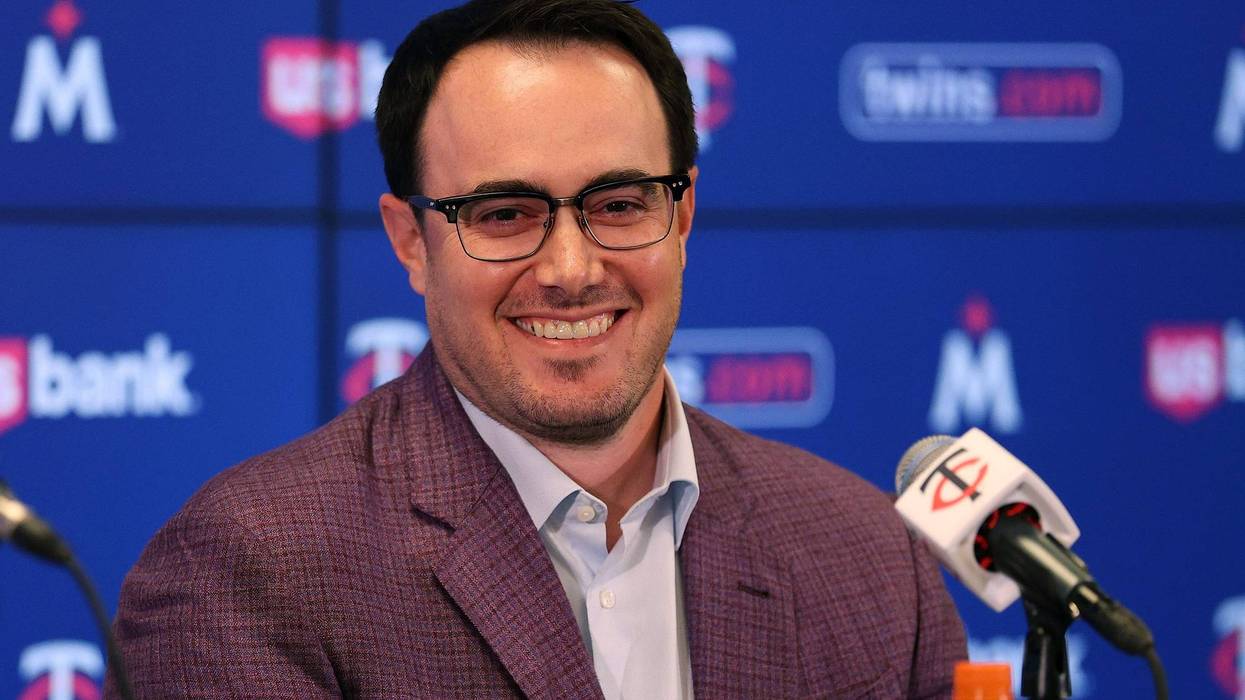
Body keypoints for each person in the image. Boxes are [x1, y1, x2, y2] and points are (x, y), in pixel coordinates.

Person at [108, 0, 966, 697]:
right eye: (503, 214)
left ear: (682, 216)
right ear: (410, 242)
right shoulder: (248, 572)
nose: (570, 270)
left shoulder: (867, 556)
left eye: (619, 204)